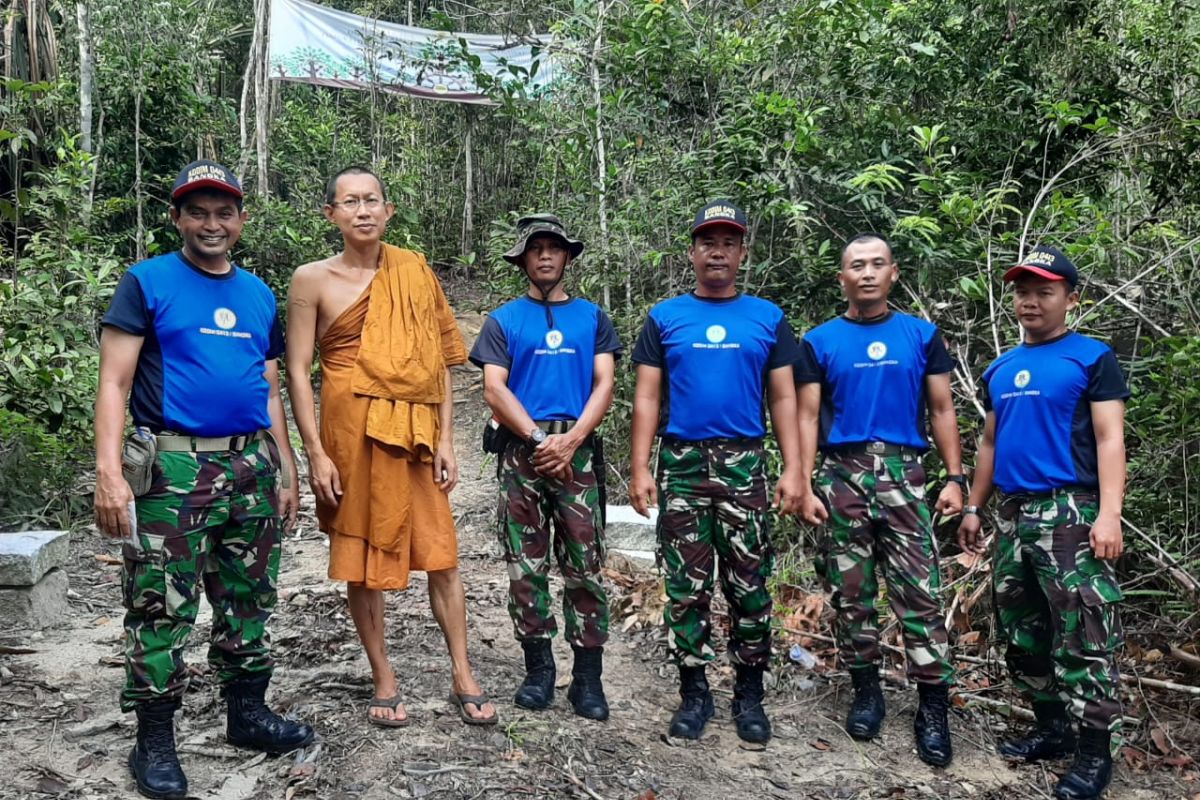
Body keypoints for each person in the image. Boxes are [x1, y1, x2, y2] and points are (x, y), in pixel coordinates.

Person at [93, 160, 314, 800]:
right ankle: (154, 740)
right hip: (173, 466)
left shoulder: (258, 293)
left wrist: (287, 465)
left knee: (249, 596)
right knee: (162, 603)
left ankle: (246, 714)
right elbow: (114, 382)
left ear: (241, 220)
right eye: (199, 211)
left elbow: (266, 383)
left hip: (251, 464)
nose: (212, 223)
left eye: (224, 212)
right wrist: (110, 474)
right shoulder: (147, 282)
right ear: (178, 218)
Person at [286, 166, 497, 728]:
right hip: (348, 435)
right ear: (330, 213)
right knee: (359, 557)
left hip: (415, 436)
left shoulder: (414, 270)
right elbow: (298, 369)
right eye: (350, 202)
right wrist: (316, 453)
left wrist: (448, 438)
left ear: (388, 210)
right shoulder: (311, 280)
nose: (363, 211)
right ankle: (383, 674)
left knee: (442, 556)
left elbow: (437, 361)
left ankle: (462, 670)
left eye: (372, 200)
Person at [629, 200, 804, 744]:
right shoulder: (665, 317)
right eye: (708, 242)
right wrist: (639, 467)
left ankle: (750, 694)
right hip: (681, 463)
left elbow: (783, 399)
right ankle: (694, 692)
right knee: (686, 587)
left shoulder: (768, 318)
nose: (718, 251)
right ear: (693, 252)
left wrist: (795, 469)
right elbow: (647, 397)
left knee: (750, 584)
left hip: (745, 463)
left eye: (728, 242)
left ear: (742, 252)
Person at [958, 246, 1128, 800]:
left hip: (1070, 512)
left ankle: (1095, 751)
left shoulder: (1092, 358)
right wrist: (974, 508)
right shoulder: (1000, 367)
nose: (1030, 301)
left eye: (1044, 291)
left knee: (1082, 633)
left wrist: (1108, 515)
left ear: (1070, 299)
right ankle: (1051, 728)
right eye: (1023, 291)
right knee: (1024, 630)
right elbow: (989, 441)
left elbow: (1109, 438)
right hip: (1011, 513)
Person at [793, 233, 963, 767]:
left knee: (920, 593)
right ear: (841, 277)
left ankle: (932, 707)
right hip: (841, 473)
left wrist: (955, 477)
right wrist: (800, 480)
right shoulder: (818, 341)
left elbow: (940, 410)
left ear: (893, 273)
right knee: (852, 592)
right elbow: (804, 415)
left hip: (904, 474)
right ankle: (867, 692)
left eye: (877, 264)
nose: (866, 273)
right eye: (855, 266)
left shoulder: (921, 335)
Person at [468, 214, 620, 720]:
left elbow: (605, 384)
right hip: (521, 454)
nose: (547, 256)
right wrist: (539, 440)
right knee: (525, 565)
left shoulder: (592, 317)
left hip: (577, 453)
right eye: (537, 249)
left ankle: (587, 679)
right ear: (524, 260)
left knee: (584, 565)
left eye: (555, 248)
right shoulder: (504, 320)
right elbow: (495, 388)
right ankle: (539, 670)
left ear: (568, 257)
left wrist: (571, 439)